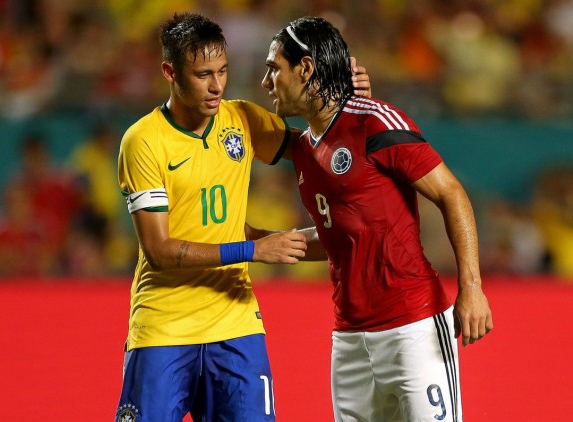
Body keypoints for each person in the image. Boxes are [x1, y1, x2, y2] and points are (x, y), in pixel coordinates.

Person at [115, 12, 371, 422]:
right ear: (170, 71)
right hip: (164, 326)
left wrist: (350, 104)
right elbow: (159, 251)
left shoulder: (242, 120)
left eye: (223, 71)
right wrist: (253, 248)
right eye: (202, 75)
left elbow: (319, 147)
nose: (217, 86)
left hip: (236, 326)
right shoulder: (143, 141)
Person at [261, 17, 493, 421]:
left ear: (306, 69)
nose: (267, 82)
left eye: (274, 68)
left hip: (414, 329)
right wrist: (266, 243)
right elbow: (344, 234)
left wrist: (471, 287)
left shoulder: (375, 122)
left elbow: (451, 194)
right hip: (349, 340)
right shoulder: (302, 149)